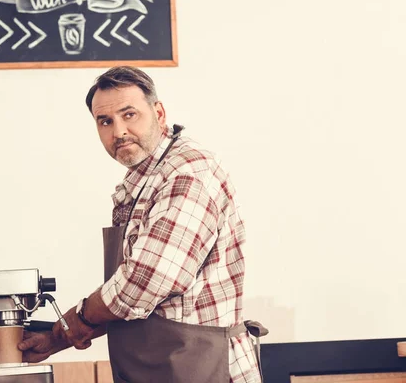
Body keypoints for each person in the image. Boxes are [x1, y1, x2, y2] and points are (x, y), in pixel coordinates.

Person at [19, 66, 267, 383]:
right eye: (105, 121)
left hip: (204, 368)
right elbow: (137, 302)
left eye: (129, 115)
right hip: (165, 368)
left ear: (158, 113)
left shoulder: (187, 171)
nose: (118, 131)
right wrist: (60, 336)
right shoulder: (142, 181)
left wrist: (75, 321)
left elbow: (148, 280)